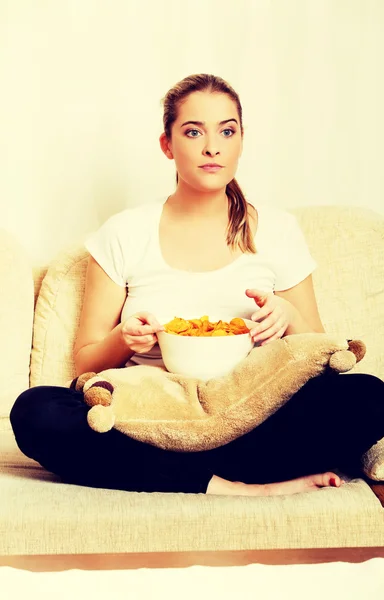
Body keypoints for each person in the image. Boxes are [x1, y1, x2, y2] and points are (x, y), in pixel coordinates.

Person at [10, 73, 384, 497]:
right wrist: (123, 339)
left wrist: (289, 316)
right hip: (152, 418)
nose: (212, 147)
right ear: (167, 145)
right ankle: (228, 483)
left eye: (227, 131)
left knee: (369, 396)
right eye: (193, 132)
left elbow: (321, 353)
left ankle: (178, 475)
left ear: (242, 140)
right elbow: (85, 364)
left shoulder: (279, 230)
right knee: (35, 411)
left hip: (252, 413)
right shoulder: (124, 232)